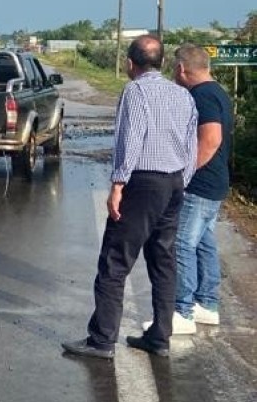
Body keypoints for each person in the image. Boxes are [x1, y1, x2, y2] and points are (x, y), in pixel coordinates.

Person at [62, 35, 197, 359]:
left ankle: (102, 340)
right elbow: (192, 144)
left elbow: (131, 137)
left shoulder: (135, 92)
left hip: (143, 183)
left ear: (129, 63)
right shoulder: (182, 95)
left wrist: (118, 184)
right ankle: (160, 337)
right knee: (164, 261)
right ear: (163, 63)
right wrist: (182, 180)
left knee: (115, 260)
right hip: (174, 182)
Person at [161, 43, 233, 333]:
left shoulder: (201, 95)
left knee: (181, 243)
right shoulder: (218, 92)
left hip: (201, 183)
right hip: (216, 181)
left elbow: (211, 139)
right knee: (204, 241)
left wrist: (185, 173)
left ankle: (183, 310)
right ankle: (207, 303)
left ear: (181, 69)